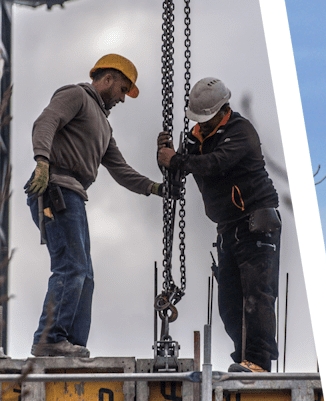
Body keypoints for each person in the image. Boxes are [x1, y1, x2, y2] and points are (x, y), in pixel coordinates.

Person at [26, 54, 172, 357]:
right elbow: (46, 121)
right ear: (107, 79)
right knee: (71, 267)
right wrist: (42, 161)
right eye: (122, 89)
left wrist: (155, 188)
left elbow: (121, 169)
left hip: (73, 196)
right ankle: (50, 339)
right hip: (56, 189)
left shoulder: (103, 127)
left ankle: (72, 344)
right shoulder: (76, 95)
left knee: (85, 275)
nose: (122, 98)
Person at [157, 77, 281, 373]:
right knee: (229, 304)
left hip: (256, 225)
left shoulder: (241, 132)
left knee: (257, 295)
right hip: (228, 228)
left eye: (207, 120)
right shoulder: (197, 136)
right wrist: (167, 157)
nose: (202, 126)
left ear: (223, 110)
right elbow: (180, 170)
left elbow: (215, 163)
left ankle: (259, 361)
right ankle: (244, 358)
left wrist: (176, 161)